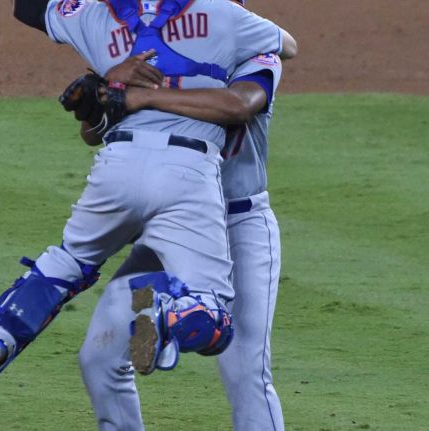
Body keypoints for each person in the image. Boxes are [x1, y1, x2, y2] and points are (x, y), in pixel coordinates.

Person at [0, 0, 296, 398]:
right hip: (189, 185)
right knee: (210, 317)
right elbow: (287, 43)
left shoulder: (99, 20)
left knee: (66, 262)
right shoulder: (228, 19)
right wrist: (104, 92)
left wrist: (120, 91)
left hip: (132, 176)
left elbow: (28, 7)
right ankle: (164, 312)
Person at [76, 12, 290, 429]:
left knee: (244, 370)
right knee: (99, 358)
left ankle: (163, 308)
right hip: (169, 229)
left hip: (238, 227)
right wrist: (104, 94)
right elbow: (94, 131)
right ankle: (163, 303)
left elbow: (238, 105)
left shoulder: (255, 51)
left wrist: (143, 97)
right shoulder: (157, 52)